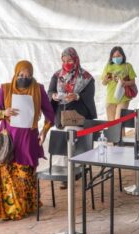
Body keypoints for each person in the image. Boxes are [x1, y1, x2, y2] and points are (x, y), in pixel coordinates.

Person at [0, 60, 54, 220]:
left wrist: (44, 131)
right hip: (8, 142)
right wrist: (5, 112)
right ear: (15, 74)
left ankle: (25, 207)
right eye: (21, 75)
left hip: (28, 141)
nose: (25, 78)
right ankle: (10, 210)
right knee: (8, 175)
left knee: (25, 175)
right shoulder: (5, 88)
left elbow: (50, 114)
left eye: (28, 75)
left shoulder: (38, 89)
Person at [48, 47, 97, 189]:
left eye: (69, 60)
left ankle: (73, 172)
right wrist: (54, 96)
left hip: (78, 114)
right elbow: (50, 91)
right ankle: (69, 173)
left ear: (75, 59)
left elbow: (89, 95)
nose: (67, 63)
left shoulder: (86, 77)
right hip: (61, 115)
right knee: (64, 143)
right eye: (64, 61)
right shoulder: (57, 75)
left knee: (71, 142)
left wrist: (76, 96)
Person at [101, 46, 137, 121]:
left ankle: (121, 133)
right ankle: (115, 133)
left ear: (123, 56)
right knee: (111, 124)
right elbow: (104, 83)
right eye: (113, 56)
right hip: (110, 98)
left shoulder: (128, 66)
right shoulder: (108, 66)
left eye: (118, 56)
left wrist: (125, 83)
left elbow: (133, 82)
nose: (116, 58)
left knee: (119, 122)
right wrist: (105, 80)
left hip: (123, 97)